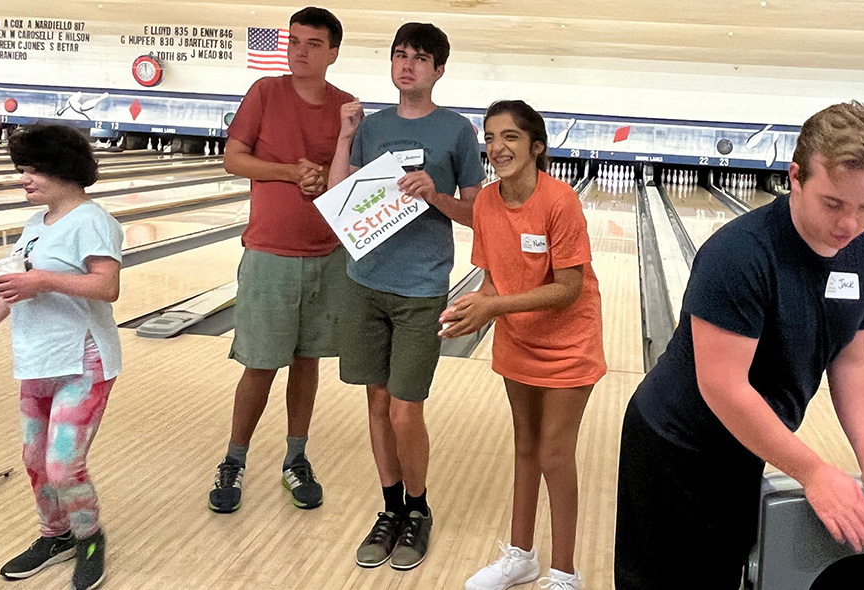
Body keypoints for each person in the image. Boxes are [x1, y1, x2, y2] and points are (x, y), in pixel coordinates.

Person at [614, 101, 864, 589]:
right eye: (833, 203)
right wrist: (814, 471)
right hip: (676, 444)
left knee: (724, 573)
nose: (849, 224)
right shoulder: (740, 253)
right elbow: (723, 386)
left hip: (749, 440)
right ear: (795, 178)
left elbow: (851, 362)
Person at [328, 22, 484, 571]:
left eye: (419, 58)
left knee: (403, 408)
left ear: (438, 69)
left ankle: (418, 510)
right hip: (365, 281)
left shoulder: (458, 132)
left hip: (421, 289)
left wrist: (434, 194)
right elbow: (337, 198)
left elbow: (477, 214)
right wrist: (345, 136)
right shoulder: (371, 127)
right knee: (376, 401)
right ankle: (390, 508)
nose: (407, 65)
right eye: (399, 55)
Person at [441, 100, 605, 590]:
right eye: (490, 137)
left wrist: (494, 308)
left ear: (536, 146)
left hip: (569, 341)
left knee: (555, 453)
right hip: (519, 340)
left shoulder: (560, 201)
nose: (497, 147)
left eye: (510, 137)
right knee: (525, 448)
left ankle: (565, 573)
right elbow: (492, 283)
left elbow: (568, 287)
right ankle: (521, 556)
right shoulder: (487, 203)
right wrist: (471, 308)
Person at [207, 7, 355, 514]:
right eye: (293, 41)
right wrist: (291, 173)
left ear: (333, 52)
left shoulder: (346, 108)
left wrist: (332, 164)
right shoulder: (265, 93)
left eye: (313, 43)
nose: (299, 50)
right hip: (269, 252)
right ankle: (234, 459)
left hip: (327, 256)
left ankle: (296, 458)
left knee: (306, 361)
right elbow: (233, 158)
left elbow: (351, 180)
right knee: (260, 365)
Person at [0, 124, 124, 590]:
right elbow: (16, 286)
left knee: (63, 466)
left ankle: (89, 537)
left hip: (84, 360)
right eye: (22, 170)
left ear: (59, 169)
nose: (23, 179)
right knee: (35, 460)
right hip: (37, 359)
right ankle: (53, 535)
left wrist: (44, 281)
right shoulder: (35, 225)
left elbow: (107, 286)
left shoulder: (93, 220)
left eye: (31, 170)